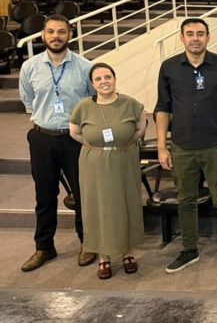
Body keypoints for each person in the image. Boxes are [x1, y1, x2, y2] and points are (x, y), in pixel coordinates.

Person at [155, 18, 217, 274]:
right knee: (186, 201)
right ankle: (189, 250)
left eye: (200, 34)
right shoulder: (169, 67)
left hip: (215, 146)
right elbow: (162, 109)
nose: (195, 38)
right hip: (182, 146)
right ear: (182, 38)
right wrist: (162, 147)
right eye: (190, 34)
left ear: (208, 37)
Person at [19, 14, 96, 272]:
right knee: (44, 195)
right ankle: (44, 247)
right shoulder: (30, 67)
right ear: (43, 35)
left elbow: (92, 101)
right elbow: (28, 100)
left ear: (70, 35)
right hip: (42, 137)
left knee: (83, 193)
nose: (55, 36)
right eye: (50, 31)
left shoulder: (85, 66)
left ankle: (88, 243)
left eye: (61, 32)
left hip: (74, 138)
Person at [69, 63, 147, 279]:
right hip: (95, 164)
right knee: (99, 208)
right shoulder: (83, 107)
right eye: (98, 78)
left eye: (108, 77)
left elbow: (140, 129)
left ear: (114, 78)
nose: (104, 81)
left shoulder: (131, 104)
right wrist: (98, 146)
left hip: (124, 160)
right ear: (92, 84)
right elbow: (75, 132)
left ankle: (128, 253)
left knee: (126, 204)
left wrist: (121, 144)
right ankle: (104, 258)